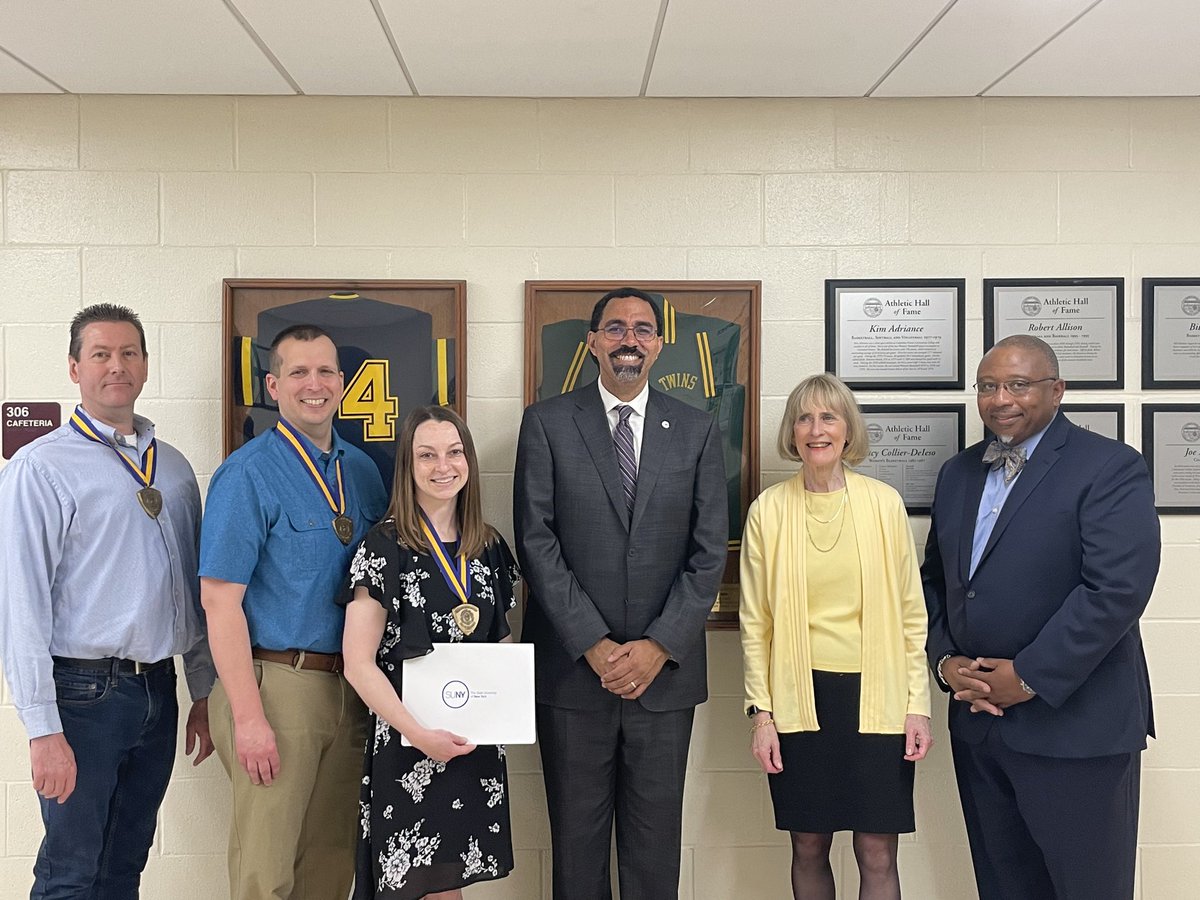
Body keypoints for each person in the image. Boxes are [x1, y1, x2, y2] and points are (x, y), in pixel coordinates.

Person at [922, 335, 1160, 900]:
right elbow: (936, 581)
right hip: (981, 727)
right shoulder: (958, 474)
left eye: (1018, 384)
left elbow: (1115, 589)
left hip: (1076, 727)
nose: (1000, 398)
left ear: (1057, 391)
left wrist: (1027, 676)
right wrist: (946, 662)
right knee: (1004, 887)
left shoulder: (1109, 466)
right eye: (987, 386)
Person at [514, 287, 728, 899]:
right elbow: (538, 542)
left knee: (655, 850)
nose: (628, 340)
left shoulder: (696, 429)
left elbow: (708, 551)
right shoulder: (548, 423)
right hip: (574, 676)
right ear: (592, 342)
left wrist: (658, 645)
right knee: (576, 851)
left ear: (659, 344)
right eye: (614, 329)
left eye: (641, 329)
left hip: (665, 681)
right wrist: (595, 645)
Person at [0, 303, 214, 898]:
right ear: (74, 369)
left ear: (145, 365)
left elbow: (191, 594)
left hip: (157, 690)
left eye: (128, 353)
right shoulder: (39, 469)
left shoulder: (172, 469)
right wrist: (43, 729)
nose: (116, 366)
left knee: (124, 865)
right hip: (82, 696)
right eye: (100, 354)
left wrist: (203, 689)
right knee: (70, 870)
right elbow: (20, 606)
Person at [200, 323, 388, 900]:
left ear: (342, 382)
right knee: (267, 871)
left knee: (331, 867)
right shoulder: (246, 473)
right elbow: (219, 601)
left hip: (351, 689)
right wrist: (249, 716)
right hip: (278, 685)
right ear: (273, 386)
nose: (315, 384)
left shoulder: (362, 471)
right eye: (299, 372)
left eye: (327, 371)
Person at [739, 373, 932, 900]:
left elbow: (913, 615)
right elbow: (756, 624)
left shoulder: (883, 504)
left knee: (876, 849)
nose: (816, 429)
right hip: (800, 700)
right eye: (804, 417)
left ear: (848, 430)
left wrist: (919, 706)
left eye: (829, 416)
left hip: (879, 700)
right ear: (792, 431)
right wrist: (763, 715)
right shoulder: (769, 510)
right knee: (807, 844)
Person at [342, 405, 518, 899]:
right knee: (413, 885)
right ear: (408, 467)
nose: (444, 466)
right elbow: (358, 663)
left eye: (455, 452)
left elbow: (499, 647)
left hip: (470, 744)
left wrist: (500, 715)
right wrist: (419, 734)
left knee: (449, 886)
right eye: (427, 455)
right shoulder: (383, 548)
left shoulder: (490, 548)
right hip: (409, 744)